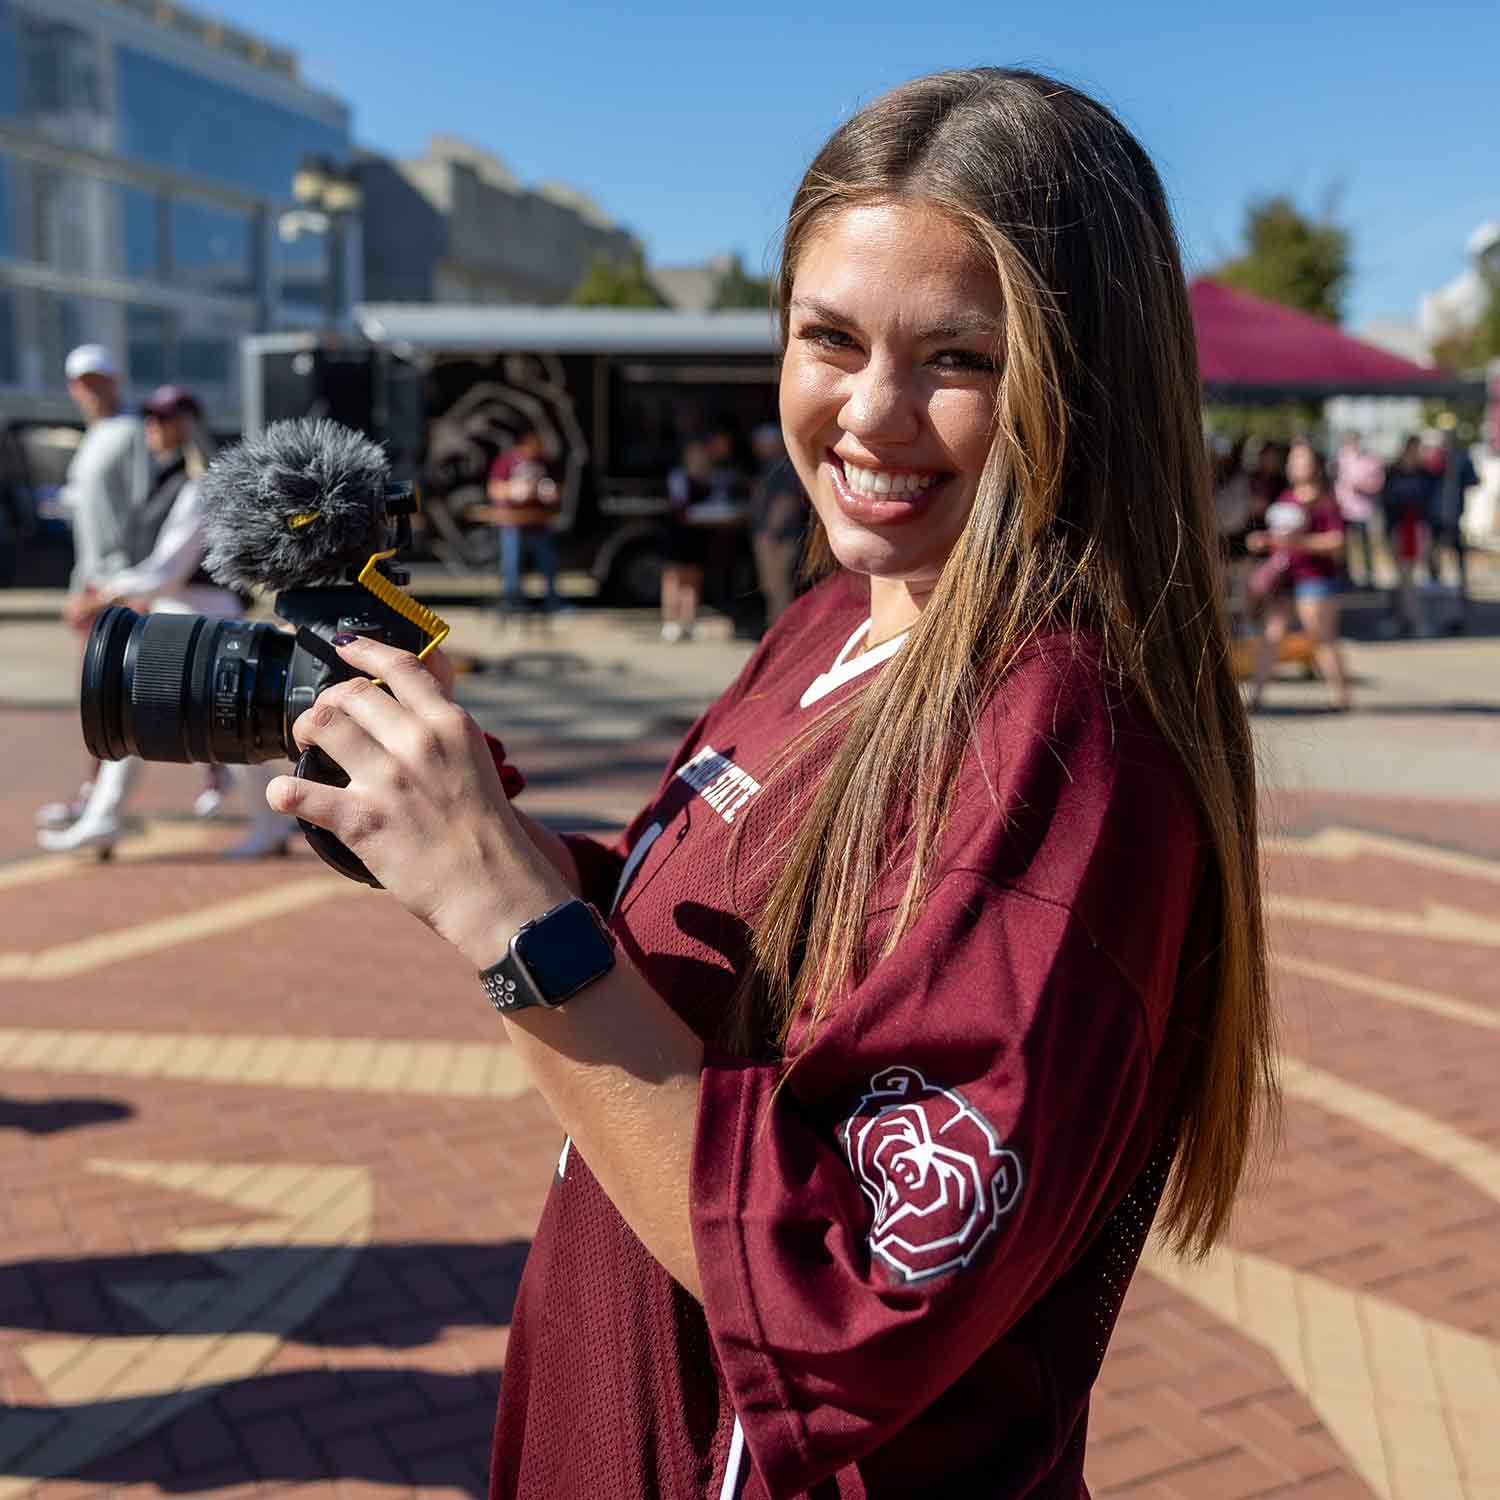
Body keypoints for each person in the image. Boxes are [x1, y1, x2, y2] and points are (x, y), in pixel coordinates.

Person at [268, 68, 1275, 1498]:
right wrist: (450, 823)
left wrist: (512, 928)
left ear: (1085, 379)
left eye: (959, 359)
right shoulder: (841, 610)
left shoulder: (1058, 753)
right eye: (830, 337)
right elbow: (708, 941)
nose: (872, 415)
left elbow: (843, 1298)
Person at [39, 386, 295, 858]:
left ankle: (276, 822)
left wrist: (103, 597)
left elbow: (165, 569)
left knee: (230, 731)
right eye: (151, 418)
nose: (154, 427)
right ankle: (103, 818)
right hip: (177, 620)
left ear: (187, 424)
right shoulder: (167, 481)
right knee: (148, 720)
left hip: (205, 622)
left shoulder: (198, 486)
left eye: (165, 419)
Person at [36, 344, 151, 831]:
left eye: (98, 378)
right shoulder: (92, 439)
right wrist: (78, 587)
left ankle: (98, 802)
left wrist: (136, 582)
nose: (91, 388)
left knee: (116, 698)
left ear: (114, 380)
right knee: (110, 697)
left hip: (122, 584)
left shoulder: (129, 434)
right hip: (94, 583)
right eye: (82, 380)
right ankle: (97, 797)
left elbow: (147, 510)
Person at [1245, 442, 1352, 712]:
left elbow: (1337, 542)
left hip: (1314, 577)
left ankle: (1341, 696)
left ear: (1314, 465)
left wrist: (1299, 542)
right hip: (1285, 578)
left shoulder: (1326, 501)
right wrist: (1265, 541)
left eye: (1300, 460)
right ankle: (1255, 697)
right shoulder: (1285, 498)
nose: (1294, 466)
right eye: (1292, 461)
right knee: (1272, 635)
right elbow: (1280, 539)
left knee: (1321, 637)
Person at [479, 427, 562, 616]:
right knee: (512, 563)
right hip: (513, 523)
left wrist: (545, 492)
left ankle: (553, 602)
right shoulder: (506, 462)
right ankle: (513, 602)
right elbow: (494, 490)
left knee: (547, 563)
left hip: (538, 523)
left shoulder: (544, 463)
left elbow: (557, 491)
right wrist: (516, 491)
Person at [746, 423, 807, 626]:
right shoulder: (769, 466)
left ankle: (780, 631)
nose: (757, 447)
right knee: (772, 587)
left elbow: (785, 501)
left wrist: (769, 532)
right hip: (772, 536)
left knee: (778, 587)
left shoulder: (780, 467)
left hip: (778, 538)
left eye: (761, 443)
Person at [1381, 435, 1438, 637]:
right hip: (1399, 529)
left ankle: (1401, 619)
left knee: (1410, 579)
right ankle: (1412, 620)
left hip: (1418, 529)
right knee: (1405, 577)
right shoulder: (1393, 473)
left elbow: (1429, 501)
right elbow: (1387, 501)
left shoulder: (1425, 474)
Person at [659, 435, 714, 641]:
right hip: (676, 535)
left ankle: (688, 622)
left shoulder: (708, 478)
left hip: (696, 536)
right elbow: (679, 506)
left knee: (693, 580)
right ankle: (671, 622)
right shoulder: (678, 476)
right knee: (673, 579)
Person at [1427, 414, 1478, 633]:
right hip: (1436, 514)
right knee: (1434, 552)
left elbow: (1473, 480)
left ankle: (1460, 587)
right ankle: (1437, 581)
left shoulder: (1462, 458)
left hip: (1453, 513)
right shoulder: (1435, 458)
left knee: (1457, 554)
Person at [1332, 431, 1384, 589]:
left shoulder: (1370, 460)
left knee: (1365, 545)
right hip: (1343, 509)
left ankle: (1368, 577)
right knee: (1344, 545)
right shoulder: (1340, 459)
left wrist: (1363, 486)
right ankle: (1344, 576)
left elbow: (1378, 482)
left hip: (1362, 510)